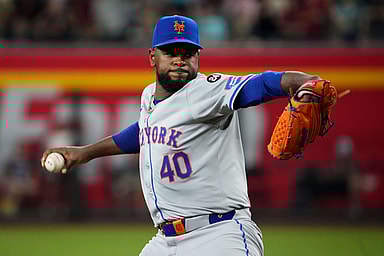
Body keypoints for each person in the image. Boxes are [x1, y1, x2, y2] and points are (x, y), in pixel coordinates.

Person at [41, 15, 326, 256]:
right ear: (152, 56)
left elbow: (260, 84)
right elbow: (144, 132)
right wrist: (84, 153)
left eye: (188, 53)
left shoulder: (208, 91)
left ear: (198, 57)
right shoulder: (149, 96)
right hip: (165, 241)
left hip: (219, 235)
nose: (180, 59)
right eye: (171, 52)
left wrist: (303, 82)